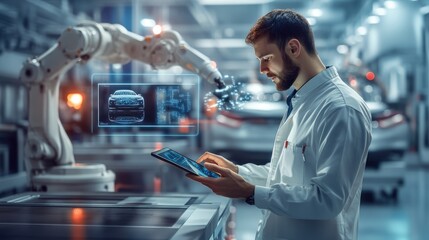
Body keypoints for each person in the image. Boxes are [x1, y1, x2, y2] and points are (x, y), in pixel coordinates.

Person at [187, 9, 372, 240]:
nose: (262, 70)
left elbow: (328, 200)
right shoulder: (302, 100)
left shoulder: (341, 108)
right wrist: (237, 171)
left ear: (294, 48)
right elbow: (283, 178)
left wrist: (250, 193)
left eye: (266, 59)